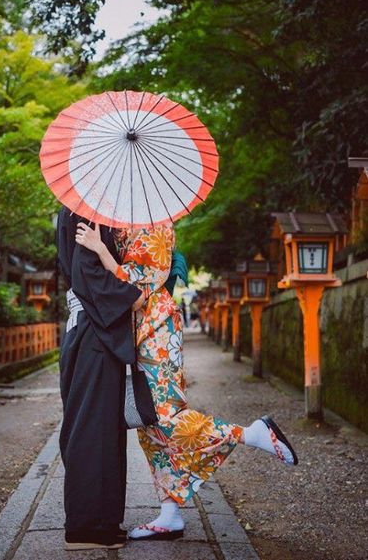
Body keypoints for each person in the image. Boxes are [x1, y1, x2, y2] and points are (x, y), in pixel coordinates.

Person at [76, 220, 299, 541]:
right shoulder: (128, 222)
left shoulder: (154, 223)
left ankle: (251, 434)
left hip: (157, 327)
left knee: (165, 417)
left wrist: (101, 251)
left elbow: (138, 290)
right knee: (150, 424)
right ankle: (169, 515)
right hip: (140, 330)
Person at [56, 206, 144, 550]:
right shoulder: (83, 210)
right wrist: (131, 297)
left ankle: (104, 520)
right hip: (93, 332)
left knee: (104, 426)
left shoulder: (89, 208)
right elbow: (86, 273)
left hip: (94, 331)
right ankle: (84, 526)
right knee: (91, 427)